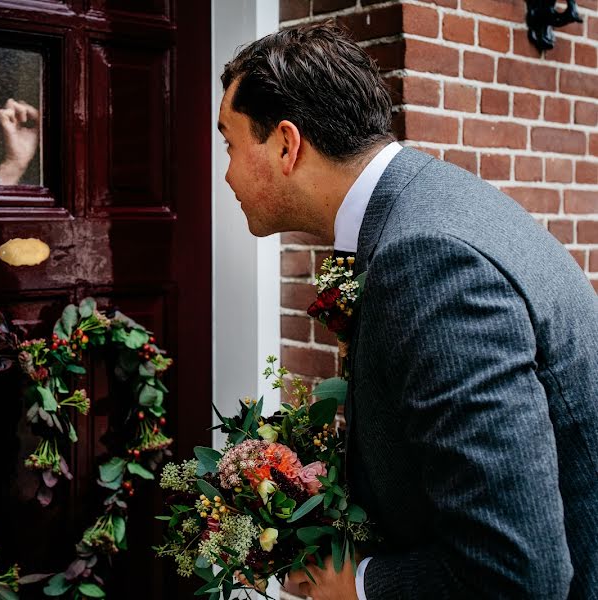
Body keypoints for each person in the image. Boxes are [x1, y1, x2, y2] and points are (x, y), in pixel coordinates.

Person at [217, 22, 598, 600]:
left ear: (287, 145)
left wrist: (356, 585)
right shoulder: (427, 201)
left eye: (230, 143)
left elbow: (519, 577)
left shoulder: (425, 259)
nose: (226, 174)